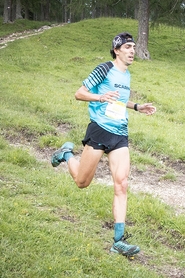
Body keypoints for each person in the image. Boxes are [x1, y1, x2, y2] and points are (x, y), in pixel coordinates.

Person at [51, 32, 156, 257]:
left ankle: (118, 241)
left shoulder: (126, 74)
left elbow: (117, 99)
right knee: (82, 182)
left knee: (122, 183)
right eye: (128, 47)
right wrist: (100, 97)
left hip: (120, 134)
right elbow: (79, 94)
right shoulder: (104, 69)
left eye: (134, 47)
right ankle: (67, 154)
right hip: (100, 129)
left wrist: (136, 107)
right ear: (117, 50)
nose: (132, 51)